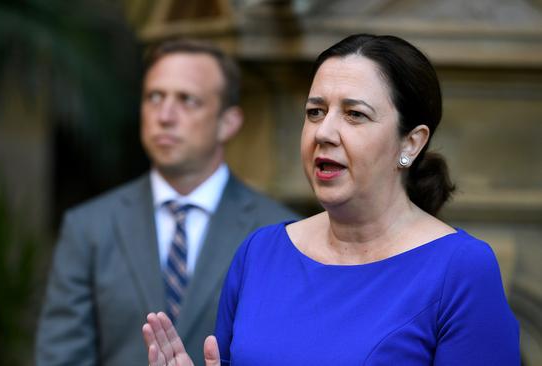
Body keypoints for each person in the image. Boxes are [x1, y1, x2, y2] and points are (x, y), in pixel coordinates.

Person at [142, 34, 521, 365]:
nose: (324, 131)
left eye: (354, 114)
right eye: (315, 111)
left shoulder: (461, 269)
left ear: (411, 142)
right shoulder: (260, 252)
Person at [36, 39, 297, 365]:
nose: (165, 115)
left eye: (187, 100)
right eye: (154, 97)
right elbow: (62, 357)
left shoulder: (280, 233)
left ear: (228, 122)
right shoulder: (88, 227)